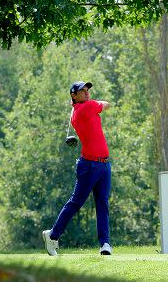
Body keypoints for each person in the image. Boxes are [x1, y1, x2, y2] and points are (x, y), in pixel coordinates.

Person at [42, 81, 112, 256]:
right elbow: (106, 104)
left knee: (102, 203)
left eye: (87, 90)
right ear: (74, 95)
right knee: (76, 202)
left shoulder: (80, 108)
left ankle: (105, 244)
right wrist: (93, 102)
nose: (87, 92)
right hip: (89, 165)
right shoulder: (86, 108)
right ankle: (52, 235)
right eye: (82, 91)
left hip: (103, 164)